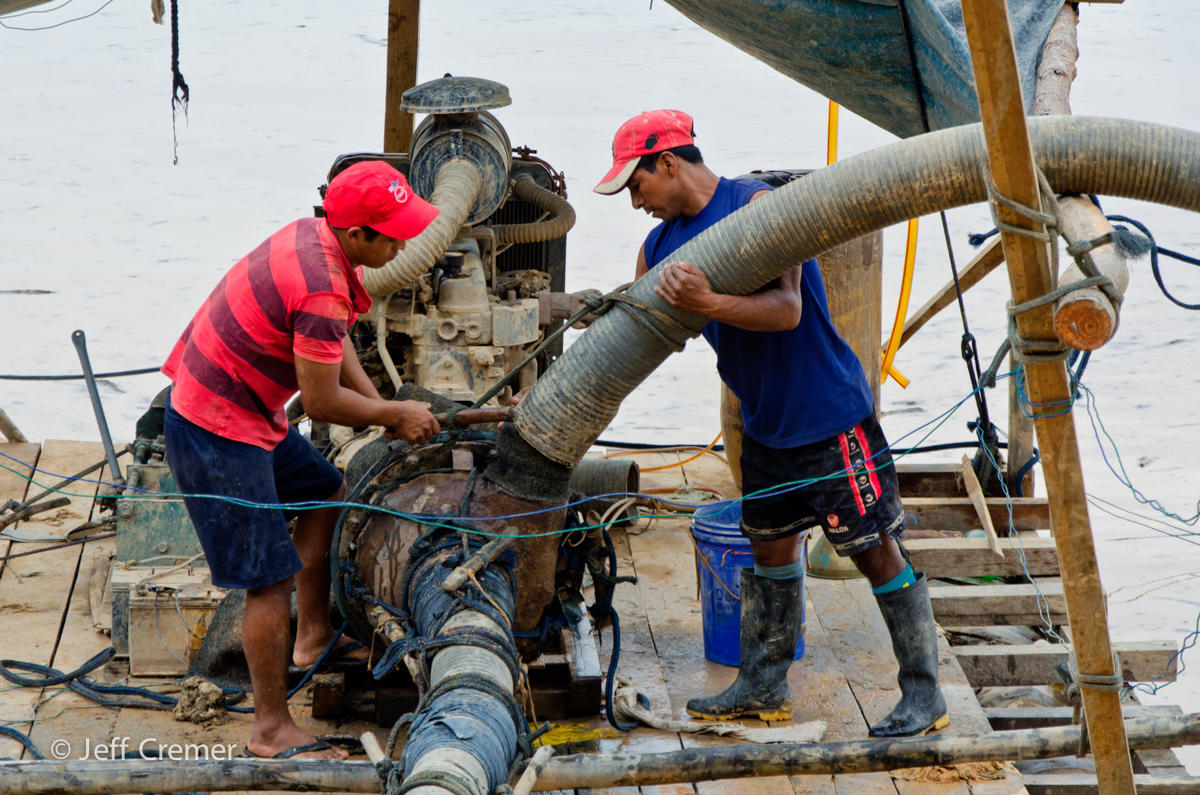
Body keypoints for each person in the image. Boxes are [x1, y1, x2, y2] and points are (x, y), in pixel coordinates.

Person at [595, 110, 948, 738]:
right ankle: (762, 684)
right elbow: (644, 322)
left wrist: (707, 303)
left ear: (668, 162)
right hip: (764, 424)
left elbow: (787, 311)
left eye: (636, 185)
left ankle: (924, 695)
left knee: (873, 551)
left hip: (829, 417)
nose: (635, 202)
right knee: (769, 547)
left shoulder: (759, 207)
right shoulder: (657, 247)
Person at [162, 161, 443, 759]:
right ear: (357, 233)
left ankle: (312, 637)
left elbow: (332, 343)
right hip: (214, 428)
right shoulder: (319, 285)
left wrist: (382, 404)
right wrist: (394, 416)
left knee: (324, 488)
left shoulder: (315, 239)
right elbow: (318, 401)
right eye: (392, 231)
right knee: (268, 581)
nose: (404, 241)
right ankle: (270, 729)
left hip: (247, 410)